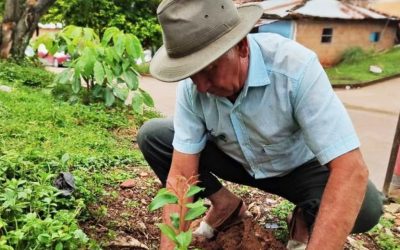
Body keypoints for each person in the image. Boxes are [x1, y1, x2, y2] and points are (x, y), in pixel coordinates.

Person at [137, 0, 383, 249]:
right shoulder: (193, 89)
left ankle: (304, 219)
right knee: (155, 136)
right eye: (191, 73)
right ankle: (225, 205)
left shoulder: (294, 69)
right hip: (238, 162)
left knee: (366, 208)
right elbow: (181, 175)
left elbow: (351, 170)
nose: (201, 86)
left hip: (297, 168)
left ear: (242, 46)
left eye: (209, 69)